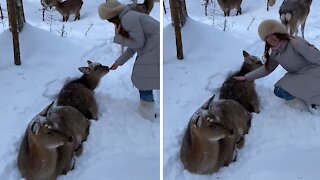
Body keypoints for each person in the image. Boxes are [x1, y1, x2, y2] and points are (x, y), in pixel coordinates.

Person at [234, 19, 320, 114]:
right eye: (267, 37)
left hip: (314, 72)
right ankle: (304, 98)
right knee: (278, 90)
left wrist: (298, 45)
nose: (271, 38)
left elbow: (317, 58)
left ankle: (312, 104)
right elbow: (267, 69)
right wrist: (246, 77)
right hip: (297, 75)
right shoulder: (275, 52)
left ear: (279, 33)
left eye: (272, 34)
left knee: (288, 88)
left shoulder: (296, 41)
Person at [98, 0, 160, 120]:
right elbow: (134, 47)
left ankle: (147, 116)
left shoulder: (128, 19)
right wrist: (118, 62)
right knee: (144, 80)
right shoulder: (129, 16)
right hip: (153, 47)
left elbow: (138, 43)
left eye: (109, 20)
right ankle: (148, 112)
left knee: (144, 81)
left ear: (112, 16)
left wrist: (118, 38)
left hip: (154, 48)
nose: (110, 23)